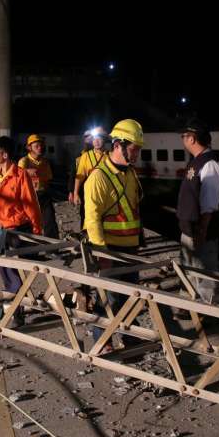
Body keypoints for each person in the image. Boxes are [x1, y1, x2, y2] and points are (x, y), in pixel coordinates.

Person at [83, 119, 144, 350]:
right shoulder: (98, 177)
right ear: (118, 145)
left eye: (138, 148)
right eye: (134, 148)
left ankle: (129, 335)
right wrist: (101, 252)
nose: (137, 153)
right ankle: (103, 339)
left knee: (130, 296)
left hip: (130, 246)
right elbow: (92, 218)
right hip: (110, 249)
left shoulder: (129, 173)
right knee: (107, 298)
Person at [0, 136, 43, 327]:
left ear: (5, 155)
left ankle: (16, 310)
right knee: (6, 273)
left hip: (15, 230)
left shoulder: (20, 175)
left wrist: (37, 227)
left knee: (12, 274)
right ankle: (17, 309)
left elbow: (30, 203)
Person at [176, 117, 219, 303]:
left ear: (192, 138)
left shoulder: (209, 164)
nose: (182, 139)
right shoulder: (198, 161)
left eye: (183, 136)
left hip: (200, 232)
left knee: (204, 275)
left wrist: (201, 231)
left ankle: (206, 311)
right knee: (189, 270)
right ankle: (189, 306)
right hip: (190, 230)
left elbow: (210, 203)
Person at [18, 134, 58, 238]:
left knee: (50, 222)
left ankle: (52, 248)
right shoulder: (24, 161)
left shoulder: (45, 162)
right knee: (29, 223)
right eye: (36, 146)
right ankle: (28, 248)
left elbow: (47, 180)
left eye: (41, 145)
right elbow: (16, 177)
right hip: (29, 197)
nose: (40, 148)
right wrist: (26, 172)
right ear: (29, 147)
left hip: (43, 195)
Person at [71, 127, 108, 229]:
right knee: (87, 218)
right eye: (94, 139)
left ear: (104, 139)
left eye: (98, 139)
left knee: (104, 219)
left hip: (105, 195)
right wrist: (75, 193)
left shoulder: (110, 156)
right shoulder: (86, 156)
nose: (95, 141)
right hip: (89, 194)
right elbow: (80, 176)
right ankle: (86, 238)